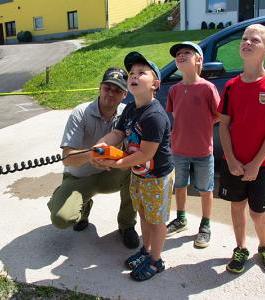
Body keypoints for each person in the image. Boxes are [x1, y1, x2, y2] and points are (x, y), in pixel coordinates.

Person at [94, 52, 174, 281]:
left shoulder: (155, 116)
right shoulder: (129, 109)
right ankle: (146, 250)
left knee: (156, 220)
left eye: (142, 73)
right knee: (143, 214)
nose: (134, 76)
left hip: (156, 177)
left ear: (155, 85)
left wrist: (118, 163)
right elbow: (118, 132)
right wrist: (103, 143)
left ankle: (157, 261)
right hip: (138, 174)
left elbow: (146, 154)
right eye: (131, 73)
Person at [217, 24, 265, 273]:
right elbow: (224, 126)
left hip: (263, 163)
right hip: (234, 162)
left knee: (258, 211)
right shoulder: (230, 86)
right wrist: (232, 160)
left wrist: (256, 163)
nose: (247, 42)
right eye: (244, 39)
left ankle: (264, 246)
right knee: (237, 207)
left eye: (255, 40)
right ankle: (240, 248)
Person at [47, 67, 139, 249]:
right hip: (80, 176)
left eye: (117, 90)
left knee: (137, 170)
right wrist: (92, 155)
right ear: (99, 88)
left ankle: (127, 225)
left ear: (124, 94)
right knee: (61, 219)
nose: (111, 94)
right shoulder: (80, 113)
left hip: (112, 173)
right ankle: (80, 206)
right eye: (107, 88)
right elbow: (67, 158)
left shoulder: (128, 113)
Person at [166, 41, 220, 248]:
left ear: (199, 60)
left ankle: (205, 225)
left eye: (186, 53)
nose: (180, 56)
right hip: (178, 150)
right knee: (179, 186)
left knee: (206, 189)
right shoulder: (174, 90)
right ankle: (181, 219)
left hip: (203, 151)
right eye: (178, 54)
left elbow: (219, 114)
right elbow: (175, 115)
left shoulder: (208, 88)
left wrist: (204, 124)